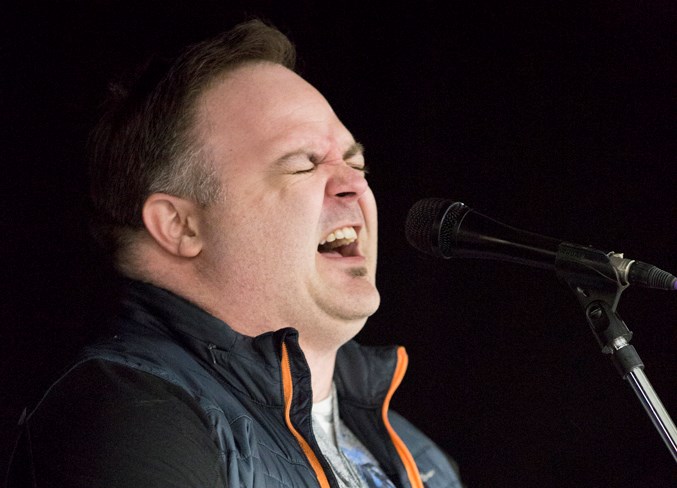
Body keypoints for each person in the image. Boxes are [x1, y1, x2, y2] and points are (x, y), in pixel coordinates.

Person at [6, 18, 463, 488]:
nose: (355, 185)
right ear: (180, 226)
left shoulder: (420, 457)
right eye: (303, 164)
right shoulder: (131, 415)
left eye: (355, 162)